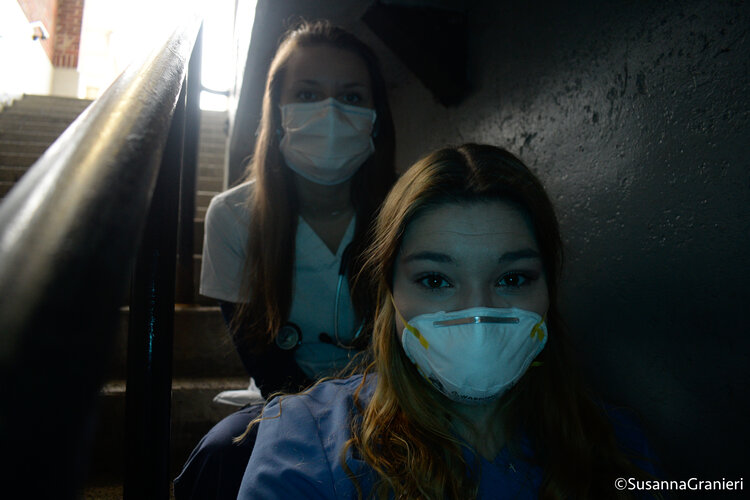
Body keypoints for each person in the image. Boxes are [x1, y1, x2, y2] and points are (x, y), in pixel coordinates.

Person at [238, 144, 660, 499]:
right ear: (390, 294)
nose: (476, 313)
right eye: (436, 280)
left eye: (512, 278)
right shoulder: (302, 443)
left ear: (548, 289)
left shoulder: (617, 445)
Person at [173, 20, 396, 499]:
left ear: (376, 116)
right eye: (309, 93)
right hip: (288, 400)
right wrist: (325, 421)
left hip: (401, 399)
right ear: (277, 111)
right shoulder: (232, 216)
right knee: (221, 458)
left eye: (352, 96)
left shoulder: (412, 207)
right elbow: (264, 360)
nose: (331, 111)